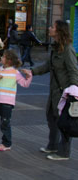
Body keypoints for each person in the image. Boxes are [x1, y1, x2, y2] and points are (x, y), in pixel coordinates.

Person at [31, 20, 78, 160]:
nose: (49, 28)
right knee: (51, 118)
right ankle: (52, 145)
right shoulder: (56, 48)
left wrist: (73, 93)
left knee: (64, 122)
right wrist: (32, 72)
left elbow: (73, 71)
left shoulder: (68, 50)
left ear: (58, 31)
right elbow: (47, 66)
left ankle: (64, 152)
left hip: (65, 93)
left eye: (52, 27)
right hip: (54, 92)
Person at [0, 49, 32, 151]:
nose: (1, 58)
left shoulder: (15, 73)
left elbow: (25, 84)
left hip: (7, 103)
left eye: (3, 57)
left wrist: (29, 76)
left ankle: (6, 143)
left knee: (4, 123)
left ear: (9, 60)